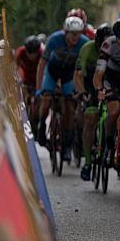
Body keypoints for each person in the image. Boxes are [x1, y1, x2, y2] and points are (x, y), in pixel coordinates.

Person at [36, 17, 90, 162]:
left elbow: (82, 70)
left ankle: (67, 146)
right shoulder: (54, 39)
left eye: (78, 34)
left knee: (70, 107)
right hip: (52, 72)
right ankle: (41, 127)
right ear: (65, 32)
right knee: (46, 98)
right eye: (72, 34)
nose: (75, 37)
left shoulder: (84, 42)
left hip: (69, 75)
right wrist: (38, 88)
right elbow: (42, 64)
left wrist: (81, 89)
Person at [93, 18, 120, 180]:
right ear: (115, 37)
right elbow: (98, 74)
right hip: (112, 79)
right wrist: (99, 89)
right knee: (114, 110)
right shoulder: (108, 44)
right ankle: (109, 142)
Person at [74, 23, 113, 179]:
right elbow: (78, 75)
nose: (106, 45)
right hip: (91, 83)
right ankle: (88, 161)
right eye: (103, 42)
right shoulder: (87, 48)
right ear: (97, 41)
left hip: (110, 81)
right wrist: (83, 92)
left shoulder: (116, 47)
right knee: (90, 119)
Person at [16, 35, 43, 130]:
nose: (32, 56)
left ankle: (36, 118)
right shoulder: (20, 52)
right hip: (26, 77)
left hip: (37, 78)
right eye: (29, 53)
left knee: (38, 100)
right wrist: (18, 79)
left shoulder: (41, 54)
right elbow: (16, 66)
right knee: (23, 92)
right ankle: (23, 112)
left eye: (34, 53)